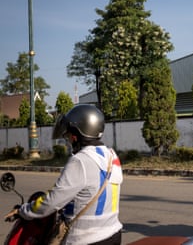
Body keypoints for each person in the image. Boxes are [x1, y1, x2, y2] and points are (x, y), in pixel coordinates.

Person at [6, 104, 123, 244]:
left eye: (68, 134)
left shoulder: (80, 161)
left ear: (77, 134)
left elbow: (51, 202)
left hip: (86, 240)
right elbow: (91, 193)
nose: (68, 139)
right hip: (113, 235)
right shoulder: (111, 156)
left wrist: (23, 211)